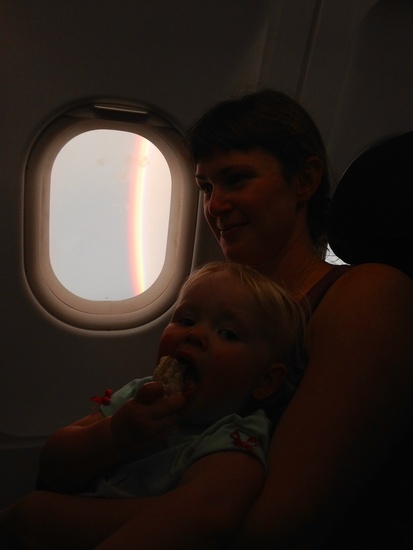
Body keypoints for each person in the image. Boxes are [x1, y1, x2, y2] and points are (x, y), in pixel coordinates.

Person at [184, 89, 413, 549]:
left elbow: (272, 529)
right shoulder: (220, 308)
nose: (214, 205)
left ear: (305, 180)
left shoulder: (366, 294)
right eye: (206, 187)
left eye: (235, 179)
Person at [0, 261, 305, 550]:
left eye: (228, 333)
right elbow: (53, 464)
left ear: (265, 381)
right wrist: (115, 435)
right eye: (186, 320)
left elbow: (205, 516)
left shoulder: (233, 437)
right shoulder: (140, 394)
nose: (196, 334)